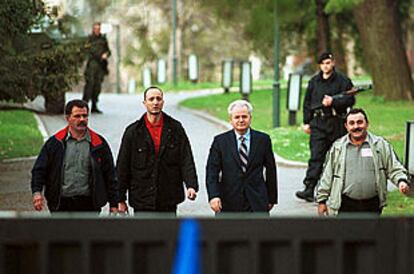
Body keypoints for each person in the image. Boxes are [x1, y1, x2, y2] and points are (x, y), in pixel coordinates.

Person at [116, 86, 198, 215]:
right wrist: (120, 199)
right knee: (144, 235)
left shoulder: (175, 128)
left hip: (168, 197)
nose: (155, 102)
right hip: (141, 198)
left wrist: (191, 185)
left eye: (158, 99)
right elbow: (122, 166)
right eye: (151, 99)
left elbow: (186, 158)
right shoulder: (133, 132)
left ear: (163, 102)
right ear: (145, 103)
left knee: (167, 234)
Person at [317, 108, 410, 215]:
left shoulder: (380, 145)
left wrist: (401, 181)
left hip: (373, 204)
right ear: (346, 126)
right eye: (352, 123)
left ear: (367, 124)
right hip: (345, 204)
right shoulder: (338, 147)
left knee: (370, 232)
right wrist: (322, 200)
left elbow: (394, 167)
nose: (356, 126)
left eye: (360, 122)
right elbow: (327, 175)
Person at [31, 99, 119, 213]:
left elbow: (110, 175)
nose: (82, 119)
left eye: (85, 116)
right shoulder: (55, 143)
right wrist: (37, 192)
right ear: (67, 118)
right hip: (60, 204)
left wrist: (114, 203)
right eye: (77, 116)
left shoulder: (99, 144)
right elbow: (39, 170)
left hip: (89, 205)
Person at [296, 52, 355, 202]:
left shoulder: (343, 81)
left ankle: (339, 190)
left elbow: (350, 99)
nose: (326, 66)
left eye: (328, 62)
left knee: (338, 157)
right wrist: (306, 122)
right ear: (319, 65)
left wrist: (333, 102)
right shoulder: (314, 81)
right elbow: (307, 103)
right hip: (318, 124)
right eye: (323, 63)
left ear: (333, 63)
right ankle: (309, 188)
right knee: (316, 157)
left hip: (336, 122)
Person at [206, 100, 278, 213]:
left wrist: (272, 198)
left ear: (250, 118)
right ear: (230, 120)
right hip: (228, 201)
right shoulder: (220, 141)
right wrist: (213, 196)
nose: (241, 120)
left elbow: (271, 170)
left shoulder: (263, 140)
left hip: (257, 200)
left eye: (244, 116)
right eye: (237, 117)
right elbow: (212, 171)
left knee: (258, 231)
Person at [82, 22, 111, 114]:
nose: (97, 30)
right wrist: (100, 56)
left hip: (100, 66)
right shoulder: (89, 39)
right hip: (92, 65)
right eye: (95, 29)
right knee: (89, 85)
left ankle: (94, 105)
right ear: (93, 29)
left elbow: (108, 50)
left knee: (97, 86)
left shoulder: (103, 39)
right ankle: (84, 106)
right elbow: (89, 51)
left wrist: (106, 54)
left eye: (99, 29)